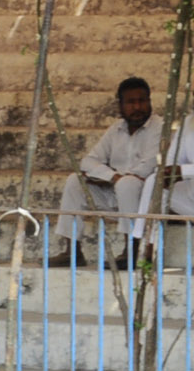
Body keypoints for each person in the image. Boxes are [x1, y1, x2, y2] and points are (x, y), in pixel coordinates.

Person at [49, 78, 161, 271]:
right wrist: (112, 177)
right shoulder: (116, 129)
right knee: (75, 181)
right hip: (114, 192)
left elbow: (148, 165)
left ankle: (132, 250)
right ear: (120, 105)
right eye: (131, 102)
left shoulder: (159, 127)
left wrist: (116, 179)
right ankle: (72, 251)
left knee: (128, 183)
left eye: (142, 101)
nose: (137, 107)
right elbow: (88, 161)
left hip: (144, 199)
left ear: (149, 101)